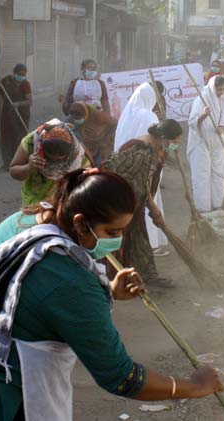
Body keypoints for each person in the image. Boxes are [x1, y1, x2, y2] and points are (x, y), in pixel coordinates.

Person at [0, 168, 224, 420]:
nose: (119, 243)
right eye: (111, 232)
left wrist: (108, 292)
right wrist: (192, 387)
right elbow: (120, 376)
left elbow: (39, 302)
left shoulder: (42, 228)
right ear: (80, 223)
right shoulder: (71, 283)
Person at [104, 119, 183, 287]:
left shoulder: (156, 147)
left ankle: (147, 275)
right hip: (121, 203)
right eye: (174, 142)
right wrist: (153, 209)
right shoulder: (142, 152)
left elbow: (143, 184)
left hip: (134, 202)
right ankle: (112, 280)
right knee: (118, 240)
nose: (175, 146)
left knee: (139, 238)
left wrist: (151, 207)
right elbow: (135, 185)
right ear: (163, 137)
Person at [113, 83, 169, 256]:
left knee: (132, 205)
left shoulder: (127, 113)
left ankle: (133, 245)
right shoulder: (148, 115)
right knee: (148, 202)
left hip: (126, 167)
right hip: (145, 167)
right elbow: (156, 142)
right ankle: (151, 244)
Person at [9, 120, 91, 208]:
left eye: (60, 158)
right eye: (50, 156)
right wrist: (28, 167)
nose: (55, 158)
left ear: (70, 153)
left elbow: (88, 186)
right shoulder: (31, 142)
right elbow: (13, 171)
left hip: (63, 204)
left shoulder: (79, 156)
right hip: (33, 201)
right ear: (41, 147)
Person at [187, 76, 224, 212]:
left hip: (217, 142)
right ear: (213, 88)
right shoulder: (200, 100)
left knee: (218, 174)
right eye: (219, 89)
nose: (221, 92)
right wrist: (204, 115)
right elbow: (192, 122)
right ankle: (203, 208)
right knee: (202, 175)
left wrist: (222, 127)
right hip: (201, 142)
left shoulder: (223, 98)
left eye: (223, 89)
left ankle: (217, 204)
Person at [0, 64, 31, 166]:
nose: (21, 77)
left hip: (21, 115)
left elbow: (29, 101)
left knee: (19, 138)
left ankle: (19, 161)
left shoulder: (26, 84)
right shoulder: (6, 81)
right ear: (14, 73)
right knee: (6, 138)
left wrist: (19, 104)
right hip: (7, 115)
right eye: (19, 74)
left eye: (23, 75)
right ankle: (7, 162)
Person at [65, 101, 117, 166]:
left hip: (102, 141)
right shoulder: (72, 116)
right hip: (87, 145)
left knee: (105, 161)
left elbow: (115, 123)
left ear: (85, 114)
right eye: (74, 118)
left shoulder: (98, 116)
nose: (76, 120)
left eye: (79, 118)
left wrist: (109, 137)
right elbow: (64, 126)